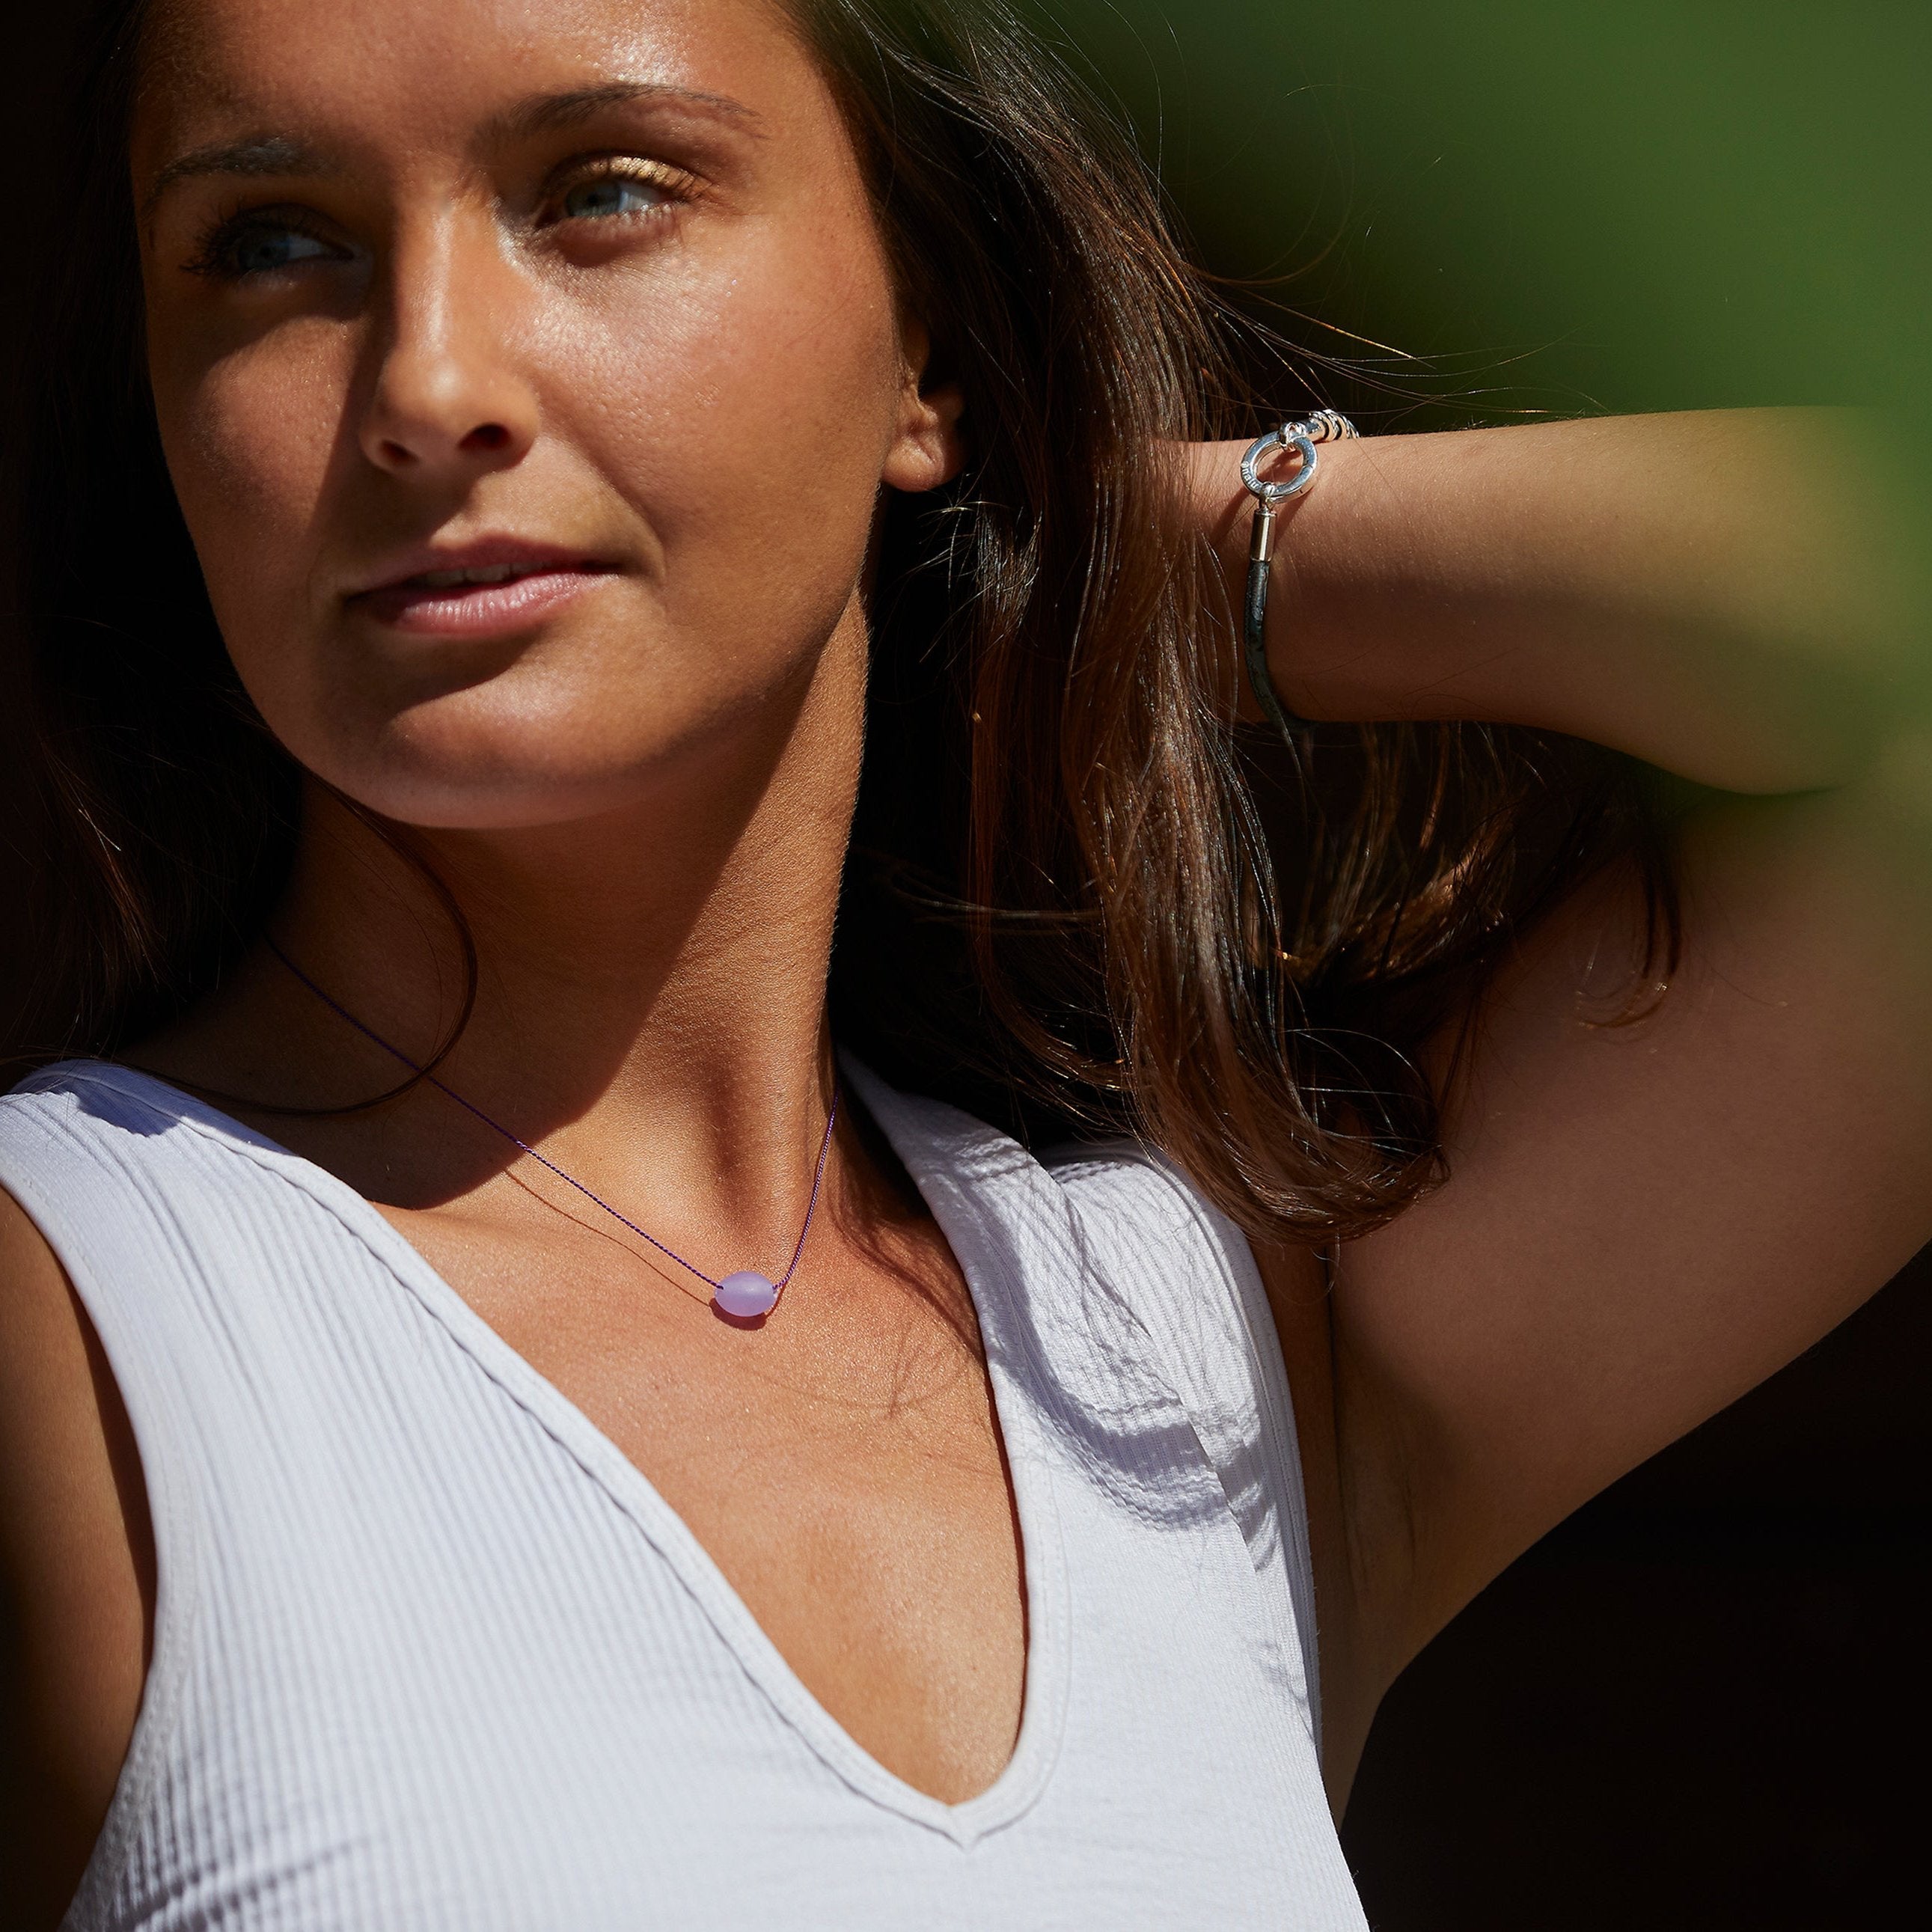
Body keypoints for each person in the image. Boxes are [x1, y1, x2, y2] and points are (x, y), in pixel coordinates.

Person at [1, 0, 1925, 1925]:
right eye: (271, 243)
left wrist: (1118, 546)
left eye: (601, 193)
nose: (427, 377)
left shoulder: (1193, 1346)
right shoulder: (70, 1316)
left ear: (922, 331)